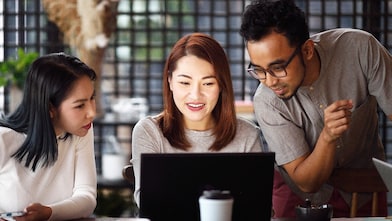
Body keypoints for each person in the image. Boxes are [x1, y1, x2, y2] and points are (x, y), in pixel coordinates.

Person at [240, 0, 392, 218]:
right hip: (300, 199)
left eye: (277, 68)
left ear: (307, 50)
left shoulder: (360, 49)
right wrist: (328, 136)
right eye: (259, 70)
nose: (269, 81)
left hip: (365, 188)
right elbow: (306, 182)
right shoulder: (267, 101)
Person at [131, 33, 263, 206]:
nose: (195, 95)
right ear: (170, 81)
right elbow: (149, 203)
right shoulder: (150, 132)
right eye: (185, 83)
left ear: (222, 85)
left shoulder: (247, 134)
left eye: (208, 84)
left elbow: (258, 206)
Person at [0, 52, 97, 221]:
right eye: (80, 105)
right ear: (50, 108)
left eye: (92, 98)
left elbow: (87, 198)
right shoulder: (4, 140)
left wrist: (48, 213)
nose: (92, 113)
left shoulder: (81, 132)